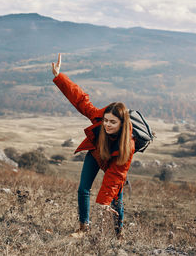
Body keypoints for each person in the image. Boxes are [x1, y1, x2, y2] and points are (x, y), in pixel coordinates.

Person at [51, 54, 135, 239]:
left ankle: (118, 234)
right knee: (83, 189)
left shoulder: (127, 145)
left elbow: (115, 176)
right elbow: (81, 100)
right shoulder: (99, 117)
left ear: (122, 123)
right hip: (96, 154)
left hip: (114, 163)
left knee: (116, 198)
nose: (107, 125)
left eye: (112, 122)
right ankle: (83, 228)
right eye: (106, 120)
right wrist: (59, 76)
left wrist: (104, 202)